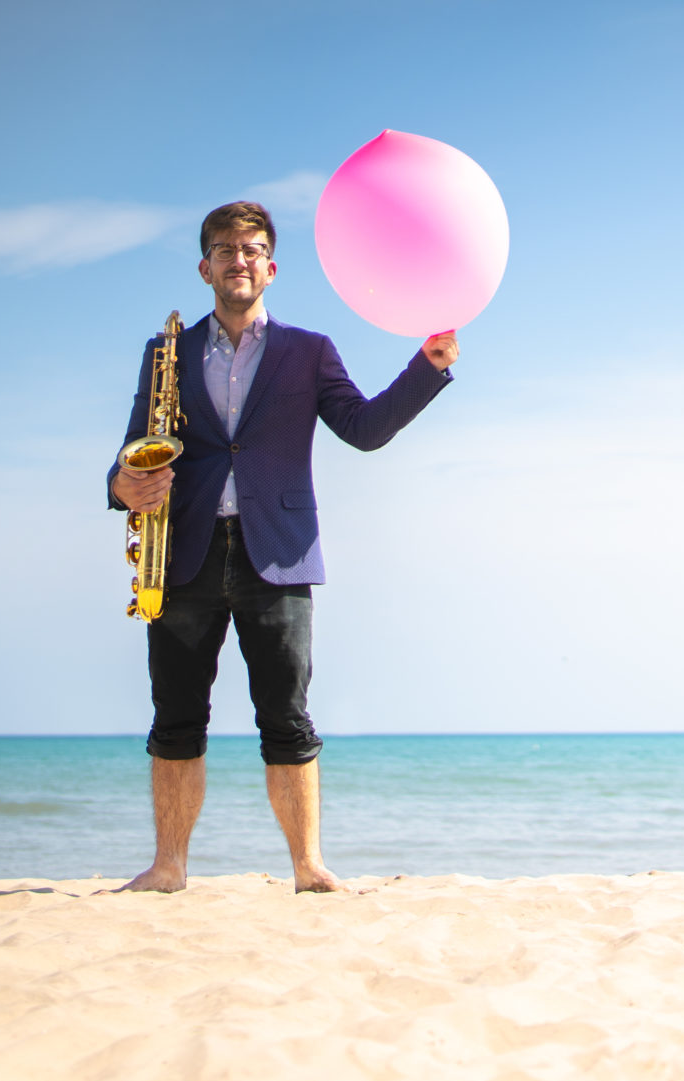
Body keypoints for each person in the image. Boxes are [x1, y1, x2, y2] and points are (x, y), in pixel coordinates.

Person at [106, 201, 457, 893]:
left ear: (271, 267)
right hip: (182, 555)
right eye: (225, 249)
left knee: (287, 718)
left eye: (252, 249)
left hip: (280, 554)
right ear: (205, 267)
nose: (239, 259)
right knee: (175, 718)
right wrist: (122, 485)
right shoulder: (165, 353)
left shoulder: (310, 350)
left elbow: (364, 430)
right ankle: (168, 867)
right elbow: (132, 450)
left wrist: (427, 367)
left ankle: (308, 867)